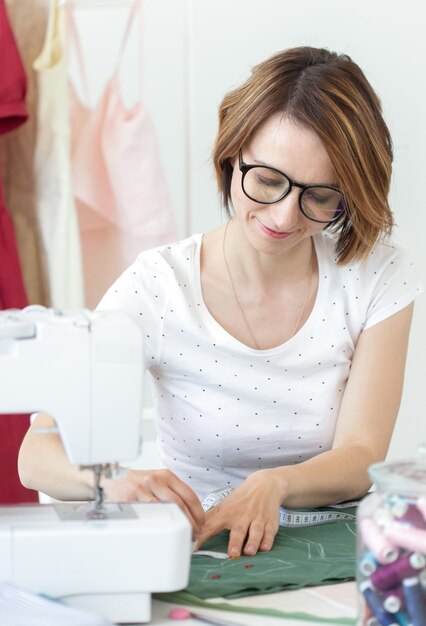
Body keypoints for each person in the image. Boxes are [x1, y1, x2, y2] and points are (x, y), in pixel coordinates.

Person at [18, 46, 423, 558]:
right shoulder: (159, 286)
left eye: (320, 197)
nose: (283, 217)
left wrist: (275, 484)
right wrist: (112, 481)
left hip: (330, 546)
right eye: (268, 181)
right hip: (205, 545)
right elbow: (36, 455)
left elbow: (362, 452)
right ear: (232, 154)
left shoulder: (378, 276)